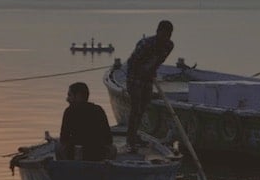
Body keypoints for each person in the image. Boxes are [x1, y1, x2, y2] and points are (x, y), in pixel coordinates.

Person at [124, 19, 175, 149]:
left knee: (143, 107)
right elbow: (131, 63)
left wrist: (151, 71)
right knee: (136, 107)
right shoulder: (145, 44)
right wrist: (143, 71)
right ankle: (130, 139)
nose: (165, 38)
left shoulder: (169, 46)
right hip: (134, 78)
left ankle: (135, 135)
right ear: (157, 32)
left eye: (168, 35)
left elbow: (158, 61)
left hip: (147, 79)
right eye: (163, 34)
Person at [58, 82, 113, 161]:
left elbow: (64, 138)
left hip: (75, 154)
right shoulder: (98, 110)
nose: (67, 99)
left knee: (58, 146)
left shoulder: (69, 111)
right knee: (113, 149)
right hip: (98, 155)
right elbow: (108, 139)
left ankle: (64, 168)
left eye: (70, 95)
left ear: (78, 96)